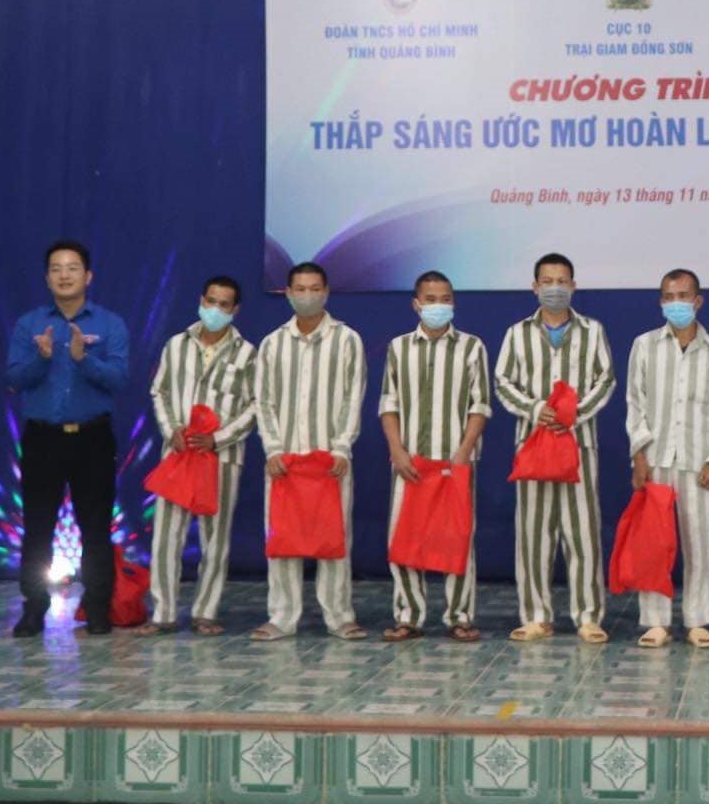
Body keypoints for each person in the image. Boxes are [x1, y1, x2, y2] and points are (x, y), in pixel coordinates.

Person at [4, 240, 130, 637]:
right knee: (38, 526)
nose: (64, 275)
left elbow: (118, 379)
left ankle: (97, 608)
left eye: (72, 268)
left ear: (88, 276)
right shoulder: (29, 325)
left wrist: (82, 359)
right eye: (56, 269)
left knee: (96, 527)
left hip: (92, 438)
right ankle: (33, 608)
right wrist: (41, 359)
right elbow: (14, 378)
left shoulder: (109, 324)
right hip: (43, 439)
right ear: (47, 278)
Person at [495, 253, 616, 643]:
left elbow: (606, 380)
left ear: (573, 286)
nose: (555, 289)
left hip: (578, 445)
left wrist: (572, 413)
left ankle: (588, 616)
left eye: (562, 281)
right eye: (547, 282)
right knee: (534, 534)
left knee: (583, 534)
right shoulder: (517, 333)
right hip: (533, 445)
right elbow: (502, 382)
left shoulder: (592, 331)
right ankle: (536, 615)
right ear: (535, 287)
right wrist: (535, 409)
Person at [251, 261, 368, 642]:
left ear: (326, 292)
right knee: (282, 539)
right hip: (284, 460)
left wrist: (342, 447)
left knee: (334, 538)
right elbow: (263, 400)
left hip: (330, 460)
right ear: (287, 294)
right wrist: (272, 448)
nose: (307, 296)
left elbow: (353, 397)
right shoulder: (273, 343)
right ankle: (282, 616)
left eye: (314, 288)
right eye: (299, 289)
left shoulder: (347, 340)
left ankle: (340, 616)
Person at [136, 275, 257, 637]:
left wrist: (219, 438)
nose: (215, 309)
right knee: (165, 535)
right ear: (201, 301)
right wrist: (170, 429)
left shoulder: (247, 354)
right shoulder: (176, 345)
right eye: (210, 301)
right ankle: (163, 612)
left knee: (215, 538)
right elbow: (158, 392)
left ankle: (206, 611)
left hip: (221, 458)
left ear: (235, 310)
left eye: (223, 304)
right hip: (178, 455)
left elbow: (256, 406)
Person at [378, 270, 492, 642]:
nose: (437, 306)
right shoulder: (398, 348)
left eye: (444, 299)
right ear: (416, 304)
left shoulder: (472, 347)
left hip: (455, 461)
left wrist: (463, 452)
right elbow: (389, 402)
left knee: (458, 537)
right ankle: (408, 615)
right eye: (430, 299)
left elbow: (481, 405)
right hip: (409, 462)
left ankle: (459, 616)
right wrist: (396, 450)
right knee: (404, 536)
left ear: (453, 303)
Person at [626, 268, 709, 648]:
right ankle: (656, 621)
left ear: (698, 301)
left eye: (684, 296)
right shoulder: (644, 346)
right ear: (661, 302)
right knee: (654, 544)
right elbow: (634, 403)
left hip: (697, 461)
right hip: (655, 460)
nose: (677, 303)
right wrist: (640, 456)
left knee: (698, 544)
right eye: (670, 297)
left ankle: (697, 620)